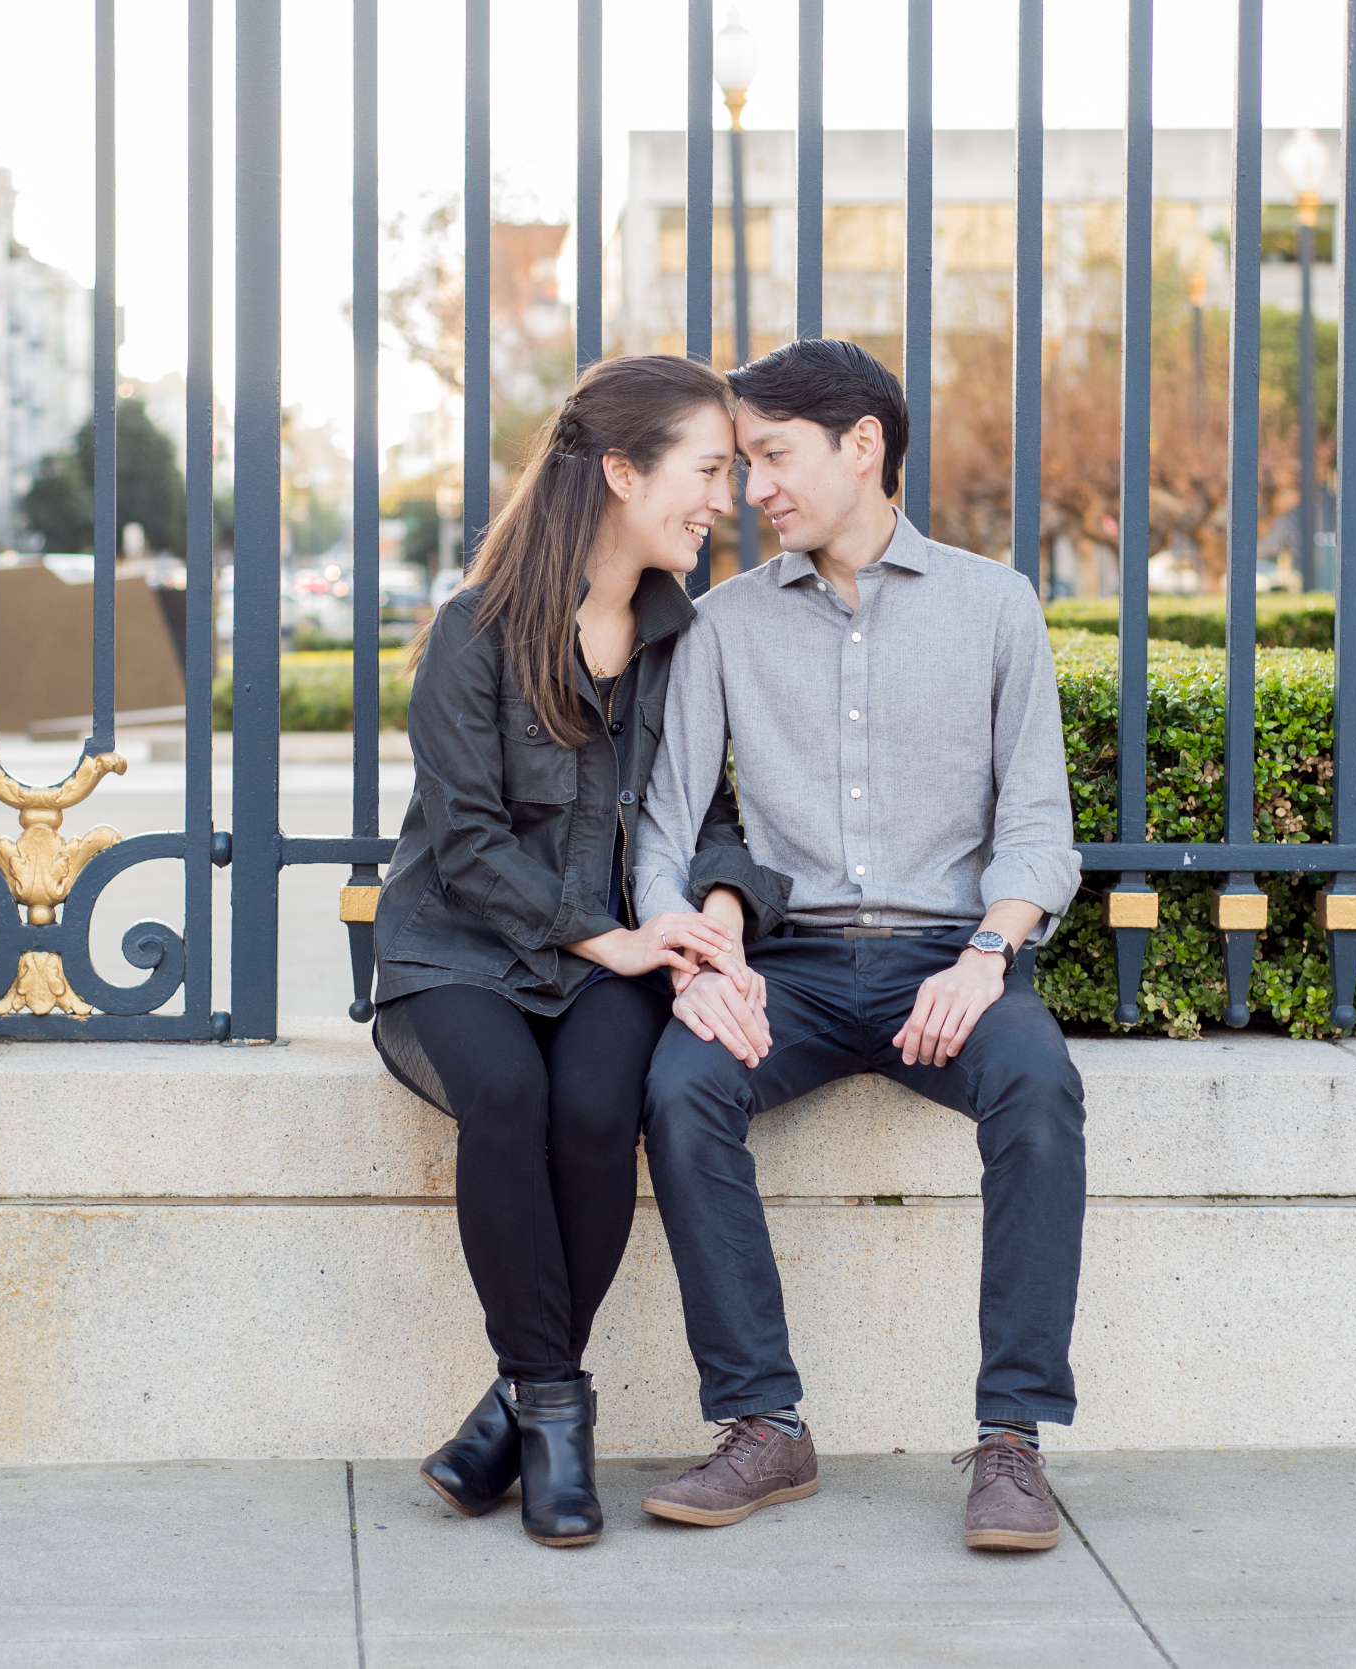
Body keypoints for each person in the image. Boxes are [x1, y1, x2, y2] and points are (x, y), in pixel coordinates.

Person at [628, 338, 1088, 1552]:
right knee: (679, 1092)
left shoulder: (995, 604)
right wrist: (698, 959)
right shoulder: (720, 624)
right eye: (741, 461)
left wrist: (985, 956)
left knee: (1039, 1089)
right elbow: (665, 830)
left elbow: (1040, 830)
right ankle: (763, 1423)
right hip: (785, 968)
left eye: (772, 456)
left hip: (951, 956)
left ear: (863, 446)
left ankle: (1012, 1441)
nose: (753, 487)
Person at [371, 354, 777, 1549]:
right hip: (457, 951)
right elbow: (465, 838)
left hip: (616, 953)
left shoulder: (677, 637)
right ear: (619, 470)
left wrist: (712, 906)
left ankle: (513, 1410)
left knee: (600, 1108)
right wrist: (610, 938)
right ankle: (555, 1413)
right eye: (707, 469)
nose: (724, 498)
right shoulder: (473, 631)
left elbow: (709, 811)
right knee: (506, 1094)